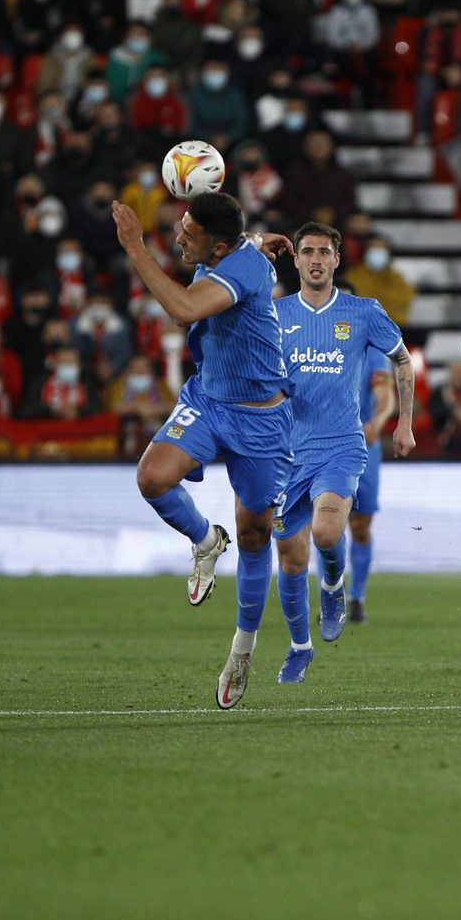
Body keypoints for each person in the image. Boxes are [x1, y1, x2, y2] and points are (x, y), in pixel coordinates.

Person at [113, 192, 296, 708]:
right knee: (152, 478)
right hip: (210, 401)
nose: (177, 239)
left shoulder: (243, 273)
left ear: (216, 248)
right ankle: (205, 540)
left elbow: (182, 309)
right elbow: (240, 251)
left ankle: (242, 650)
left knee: (256, 535)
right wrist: (257, 240)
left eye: (187, 235)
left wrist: (135, 246)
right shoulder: (237, 255)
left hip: (261, 420)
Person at [270, 223, 415, 683]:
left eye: (324, 252)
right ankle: (299, 646)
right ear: (295, 260)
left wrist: (404, 422)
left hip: (341, 446)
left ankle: (333, 585)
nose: (315, 259)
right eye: (307, 251)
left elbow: (403, 360)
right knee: (290, 562)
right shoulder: (273, 315)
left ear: (336, 260)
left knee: (328, 533)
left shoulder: (363, 311)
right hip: (285, 453)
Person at [347, 347, 396, 625]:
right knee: (325, 526)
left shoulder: (373, 355)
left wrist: (377, 421)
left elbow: (384, 396)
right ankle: (332, 595)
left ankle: (356, 597)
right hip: (322, 446)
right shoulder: (313, 344)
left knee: (360, 526)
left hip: (363, 448)